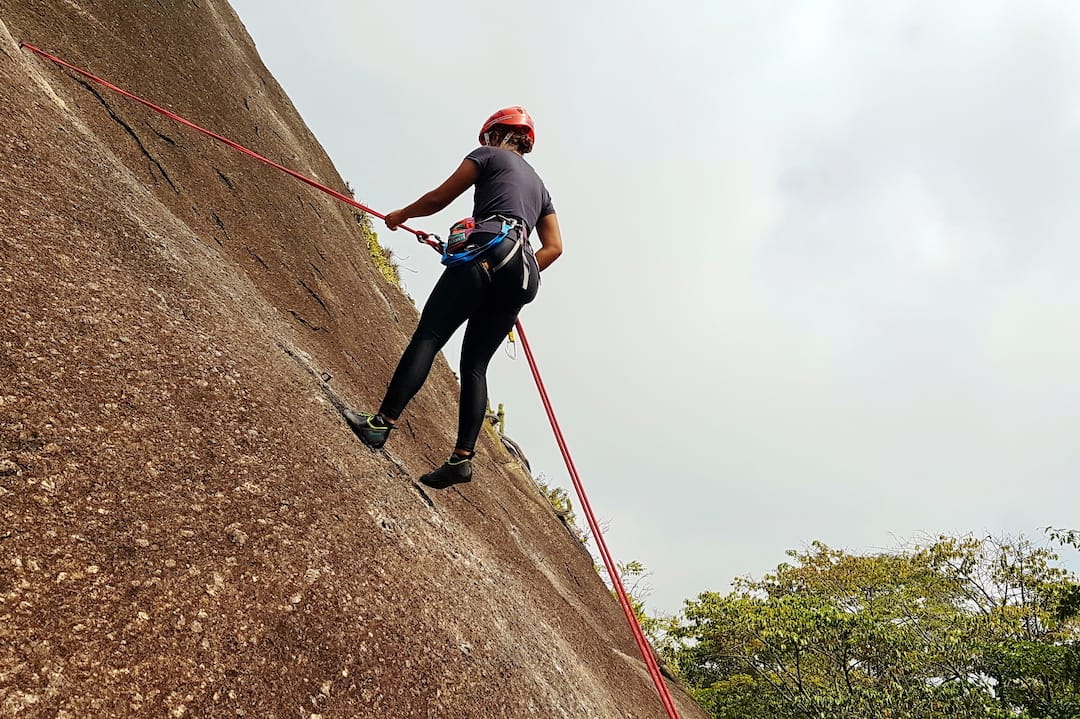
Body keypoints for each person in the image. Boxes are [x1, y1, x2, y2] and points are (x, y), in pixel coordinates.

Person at [345, 106, 563, 489]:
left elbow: (438, 199)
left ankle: (381, 425)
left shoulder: (487, 156)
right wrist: (509, 274)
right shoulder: (541, 188)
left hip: (487, 253)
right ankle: (461, 459)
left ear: (496, 135)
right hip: (523, 271)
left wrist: (401, 215)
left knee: (429, 337)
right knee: (475, 366)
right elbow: (554, 247)